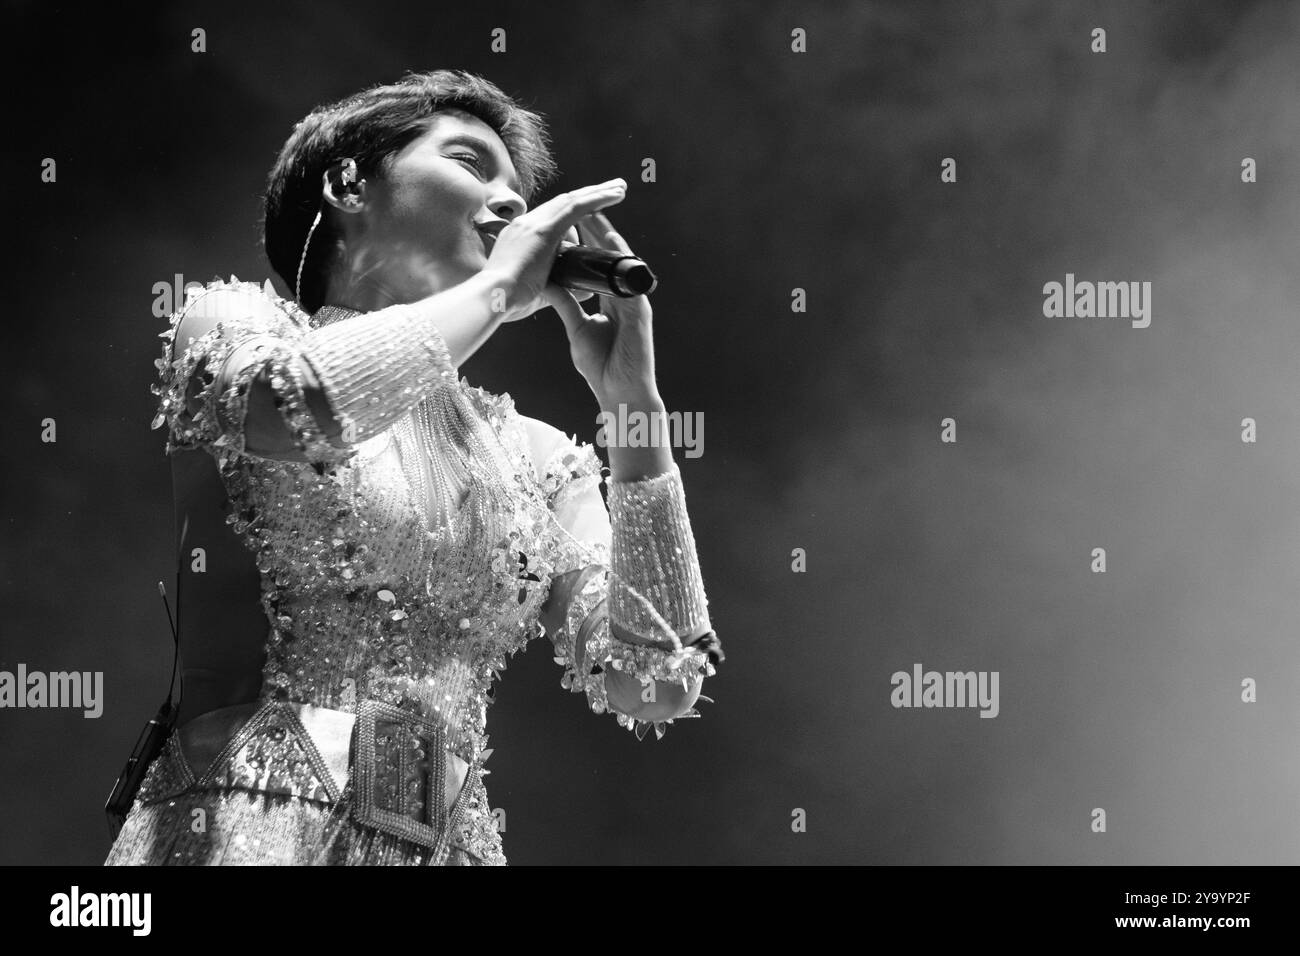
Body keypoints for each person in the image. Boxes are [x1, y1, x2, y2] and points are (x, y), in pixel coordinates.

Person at [105, 69, 722, 866]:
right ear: (346, 183)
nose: (511, 203)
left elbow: (657, 678)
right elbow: (301, 403)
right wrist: (501, 288)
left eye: (519, 190)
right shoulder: (236, 323)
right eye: (472, 163)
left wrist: (634, 406)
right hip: (249, 830)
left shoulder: (531, 455)